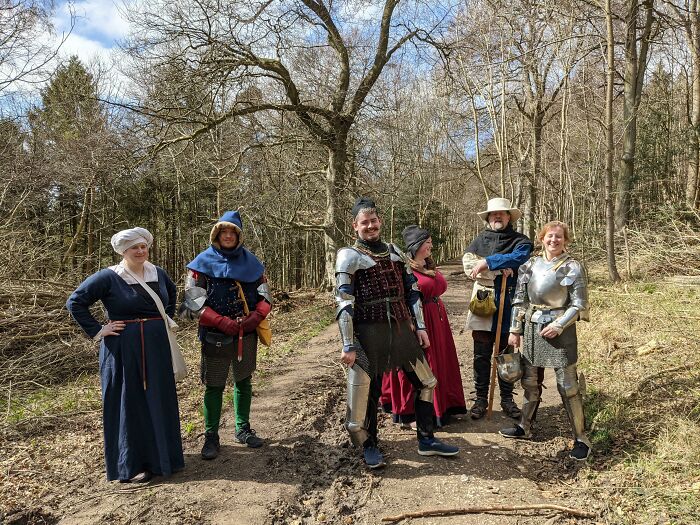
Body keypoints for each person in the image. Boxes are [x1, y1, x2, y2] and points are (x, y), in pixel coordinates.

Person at [335, 197, 459, 469]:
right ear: (355, 225)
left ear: (380, 222)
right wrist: (348, 344)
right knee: (370, 392)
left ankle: (426, 439)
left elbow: (412, 291)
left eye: (374, 221)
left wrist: (421, 327)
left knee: (426, 383)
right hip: (370, 333)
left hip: (402, 330)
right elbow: (344, 302)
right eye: (364, 222)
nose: (371, 226)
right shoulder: (348, 256)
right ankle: (370, 445)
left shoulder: (393, 253)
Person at [66, 227, 184, 483]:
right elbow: (75, 302)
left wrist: (164, 320)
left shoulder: (158, 272)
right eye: (135, 248)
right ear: (123, 251)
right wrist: (99, 329)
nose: (141, 251)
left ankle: (165, 457)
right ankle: (134, 463)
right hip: (122, 349)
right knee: (128, 401)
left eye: (143, 246)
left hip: (156, 346)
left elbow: (171, 295)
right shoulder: (109, 277)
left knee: (158, 397)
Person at [181, 210, 271, 460]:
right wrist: (220, 321)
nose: (229, 236)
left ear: (239, 236)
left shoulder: (253, 263)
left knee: (243, 381)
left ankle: (242, 429)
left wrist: (255, 317)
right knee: (214, 385)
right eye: (224, 232)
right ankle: (211, 436)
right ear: (217, 234)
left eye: (233, 232)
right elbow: (193, 301)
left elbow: (265, 296)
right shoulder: (201, 264)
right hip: (214, 334)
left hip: (247, 332)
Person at [499, 221, 591, 460]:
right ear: (542, 238)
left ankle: (581, 438)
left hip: (561, 330)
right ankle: (525, 426)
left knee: (568, 386)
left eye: (559, 237)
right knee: (530, 382)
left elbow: (579, 304)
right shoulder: (529, 264)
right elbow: (520, 300)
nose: (554, 240)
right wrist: (515, 329)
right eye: (550, 236)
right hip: (531, 327)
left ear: (565, 240)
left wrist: (559, 324)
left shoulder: (573, 267)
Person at [381, 225, 467, 428]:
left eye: (430, 242)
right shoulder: (404, 268)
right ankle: (412, 413)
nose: (431, 246)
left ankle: (443, 407)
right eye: (427, 242)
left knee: (440, 363)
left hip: (438, 321)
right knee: (419, 367)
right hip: (419, 321)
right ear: (416, 245)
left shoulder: (428, 266)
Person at [463, 197, 533, 420]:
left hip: (510, 301)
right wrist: (496, 269)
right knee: (481, 354)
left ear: (509, 217)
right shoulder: (479, 240)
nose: (497, 217)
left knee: (507, 354)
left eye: (501, 213)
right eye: (493, 214)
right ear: (488, 218)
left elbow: (520, 257)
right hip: (483, 301)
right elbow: (469, 266)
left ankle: (506, 399)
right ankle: (481, 399)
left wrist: (489, 261)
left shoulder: (521, 240)